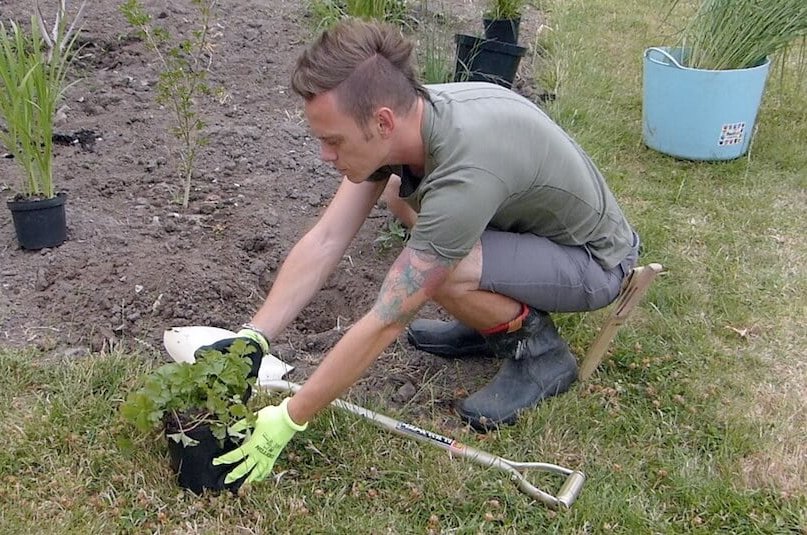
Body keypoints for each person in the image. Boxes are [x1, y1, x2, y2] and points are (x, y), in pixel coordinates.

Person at [198, 20, 640, 486]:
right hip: (529, 233)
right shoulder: (410, 119)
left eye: (333, 141)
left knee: (439, 272)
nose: (325, 156)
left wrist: (290, 416)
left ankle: (541, 356)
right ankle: (488, 321)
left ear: (382, 122)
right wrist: (254, 336)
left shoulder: (463, 172)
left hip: (593, 261)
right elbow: (327, 238)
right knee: (399, 196)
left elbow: (389, 316)